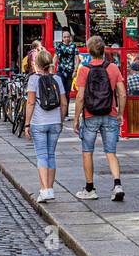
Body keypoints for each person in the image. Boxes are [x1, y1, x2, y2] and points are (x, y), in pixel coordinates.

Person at [73, 36, 125, 201]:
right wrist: (120, 113)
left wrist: (75, 119)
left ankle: (90, 188)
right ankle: (117, 185)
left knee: (87, 152)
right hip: (109, 114)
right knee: (111, 152)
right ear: (104, 50)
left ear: (89, 51)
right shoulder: (113, 68)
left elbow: (80, 97)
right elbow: (122, 93)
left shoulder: (84, 69)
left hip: (90, 115)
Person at [26, 50, 67, 202]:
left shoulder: (33, 80)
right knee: (51, 155)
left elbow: (30, 103)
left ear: (37, 65)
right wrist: (60, 120)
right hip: (55, 122)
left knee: (42, 156)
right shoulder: (57, 79)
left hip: (39, 122)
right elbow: (64, 103)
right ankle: (50, 188)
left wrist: (27, 124)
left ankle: (44, 190)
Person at [55, 32, 79, 118]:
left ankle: (66, 114)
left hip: (70, 72)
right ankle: (59, 112)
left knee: (67, 93)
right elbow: (56, 57)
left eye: (68, 37)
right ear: (62, 38)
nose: (66, 38)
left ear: (70, 37)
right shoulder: (59, 46)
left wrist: (75, 70)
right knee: (60, 92)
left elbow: (76, 59)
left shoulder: (73, 46)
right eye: (64, 37)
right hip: (60, 71)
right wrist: (51, 68)